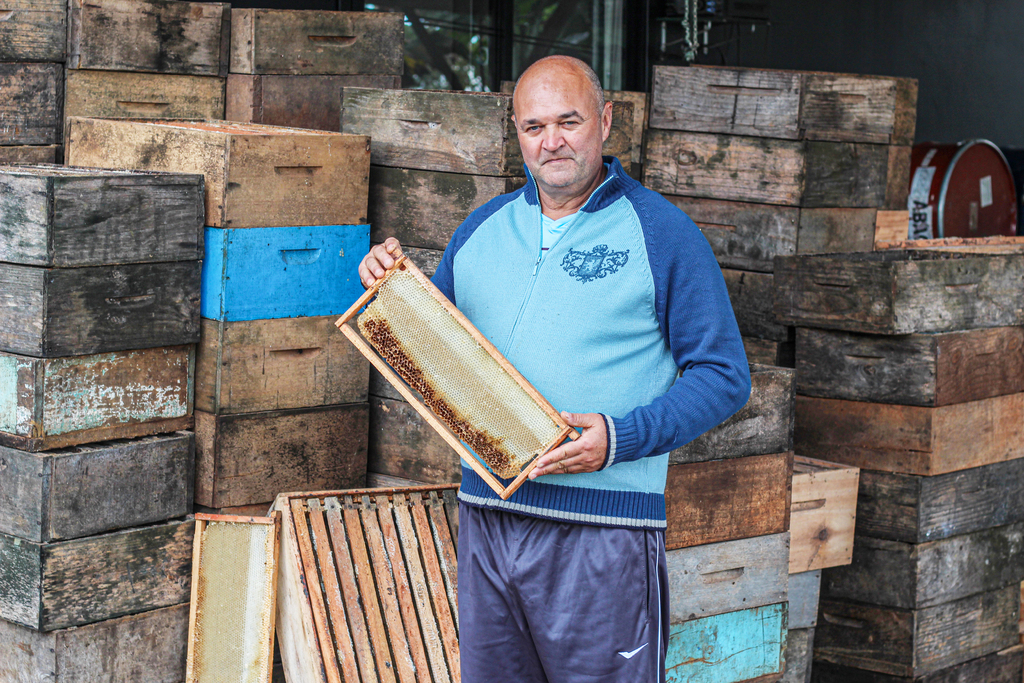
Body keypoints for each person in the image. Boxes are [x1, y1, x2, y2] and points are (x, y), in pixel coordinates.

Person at [359, 55, 751, 683]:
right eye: (533, 127)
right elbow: (433, 360)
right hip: (488, 519)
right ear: (517, 134)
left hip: (603, 532)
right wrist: (389, 291)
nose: (552, 141)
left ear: (605, 120)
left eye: (568, 121)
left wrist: (619, 438)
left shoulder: (663, 234)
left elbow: (725, 375)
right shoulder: (480, 230)